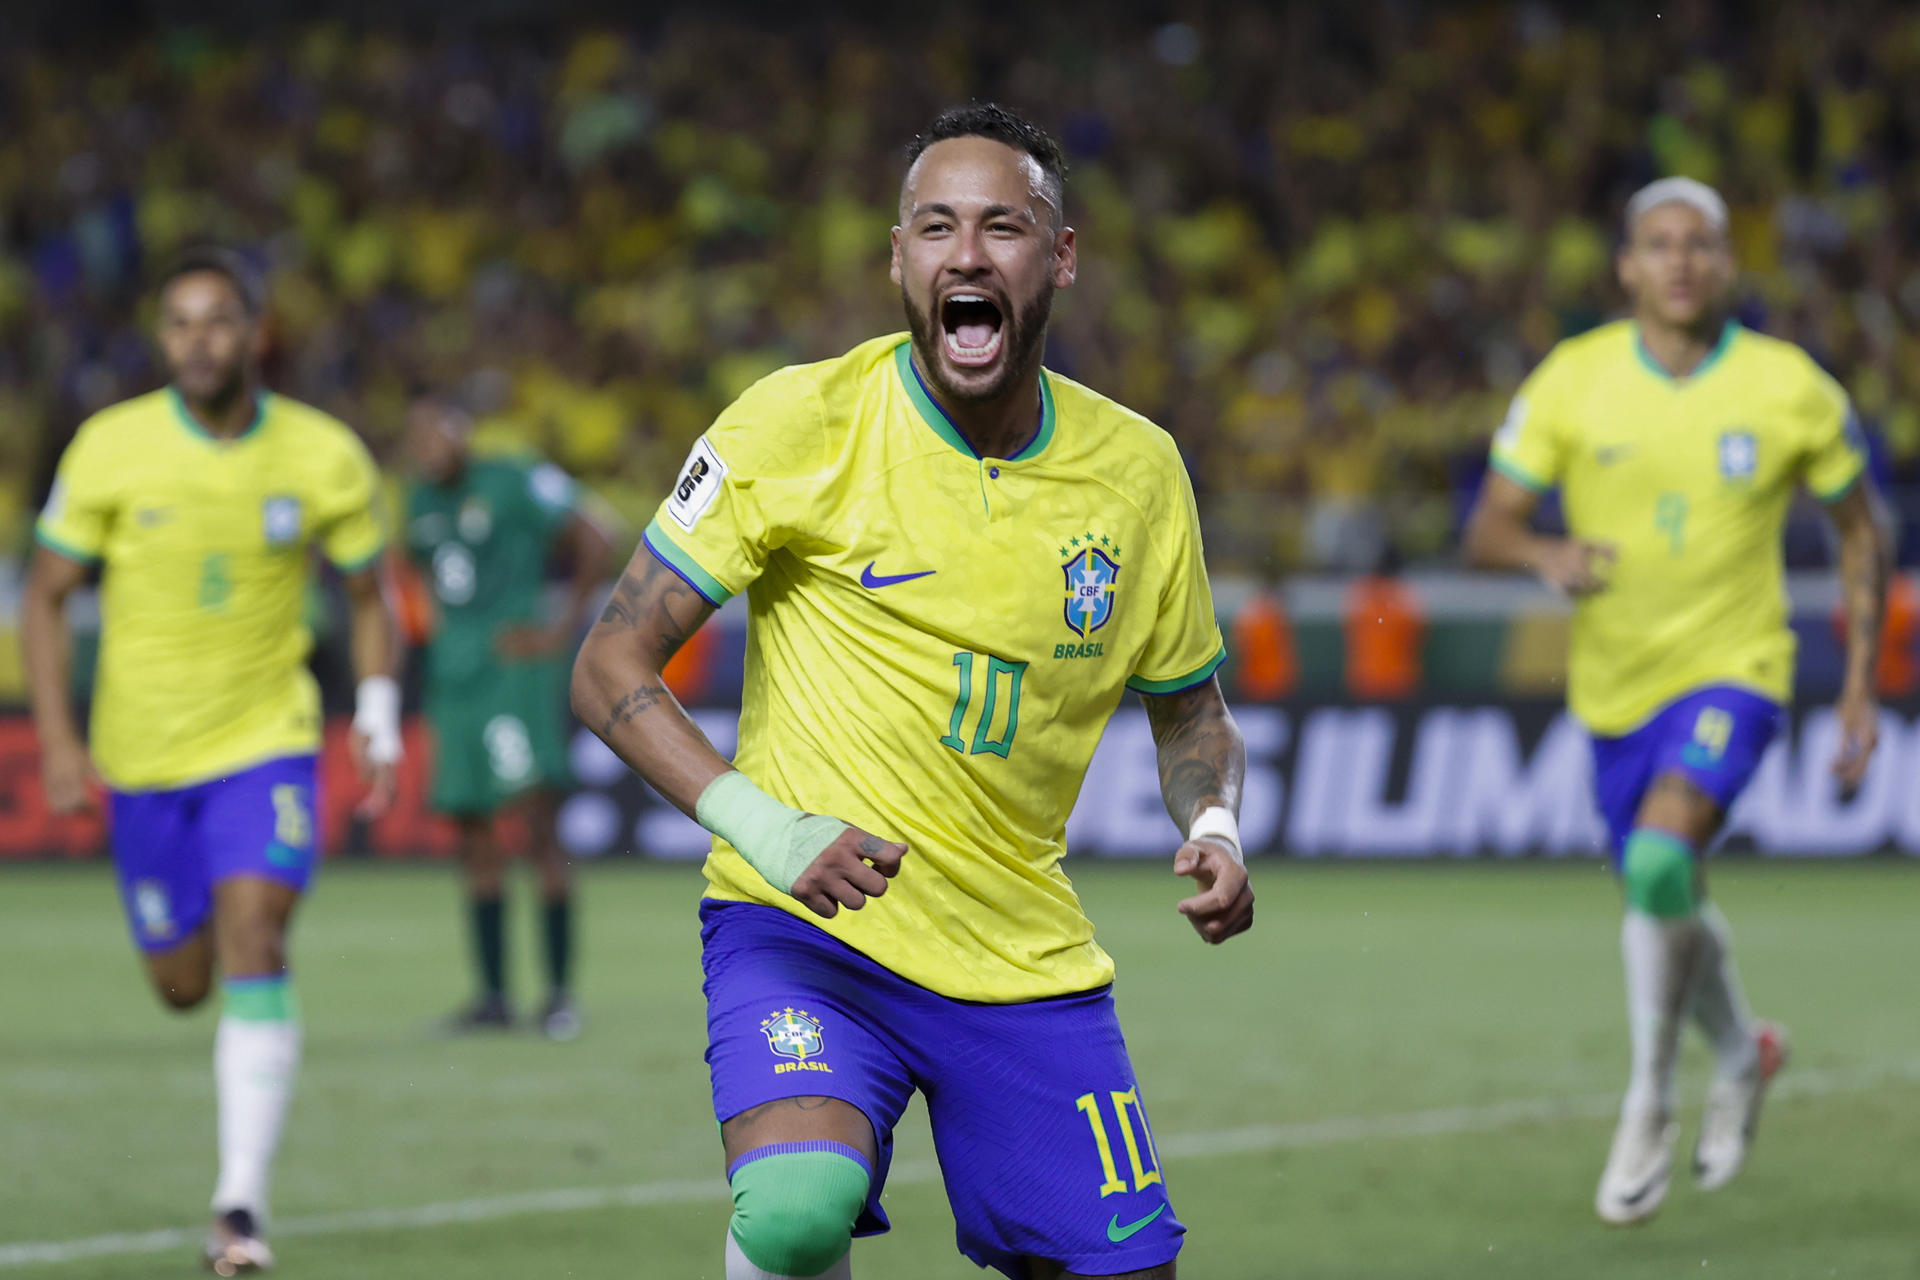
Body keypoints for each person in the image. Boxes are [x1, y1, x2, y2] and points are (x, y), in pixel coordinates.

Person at [572, 104, 1253, 1280]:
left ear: (1061, 256)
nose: (967, 255)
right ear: (899, 259)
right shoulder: (798, 423)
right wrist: (772, 833)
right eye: (936, 228)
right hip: (804, 926)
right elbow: (607, 664)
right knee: (795, 1208)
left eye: (1003, 227)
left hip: (1017, 955)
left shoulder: (1138, 472)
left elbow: (1191, 706)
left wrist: (1217, 822)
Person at [1463, 178, 1889, 1226]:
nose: (1681, 261)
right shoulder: (1574, 378)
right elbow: (1489, 527)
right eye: (1659, 243)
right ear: (1627, 266)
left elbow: (1861, 529)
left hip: (1737, 668)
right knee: (1665, 892)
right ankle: (1742, 1051)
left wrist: (1862, 682)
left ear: (1728, 263)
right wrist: (1546, 552)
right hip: (1615, 691)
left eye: (1700, 243)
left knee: (1659, 865)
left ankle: (1649, 1099)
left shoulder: (1789, 387)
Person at [20, 247, 401, 1274]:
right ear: (161, 338)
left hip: (266, 742)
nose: (199, 340)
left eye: (218, 320)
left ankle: (239, 1206)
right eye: (179, 322)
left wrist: (375, 710)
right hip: (142, 759)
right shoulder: (111, 447)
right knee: (184, 984)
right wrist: (58, 739)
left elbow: (370, 593)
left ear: (255, 331)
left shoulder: (322, 454)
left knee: (256, 933)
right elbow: (45, 596)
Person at [402, 396, 611, 1038]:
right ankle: (493, 997)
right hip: (454, 683)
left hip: (512, 676)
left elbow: (596, 534)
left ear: (462, 432)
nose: (427, 447)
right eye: (417, 438)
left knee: (537, 828)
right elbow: (421, 578)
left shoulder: (514, 477)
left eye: (437, 432)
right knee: (473, 837)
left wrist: (561, 628)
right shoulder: (417, 502)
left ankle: (559, 996)